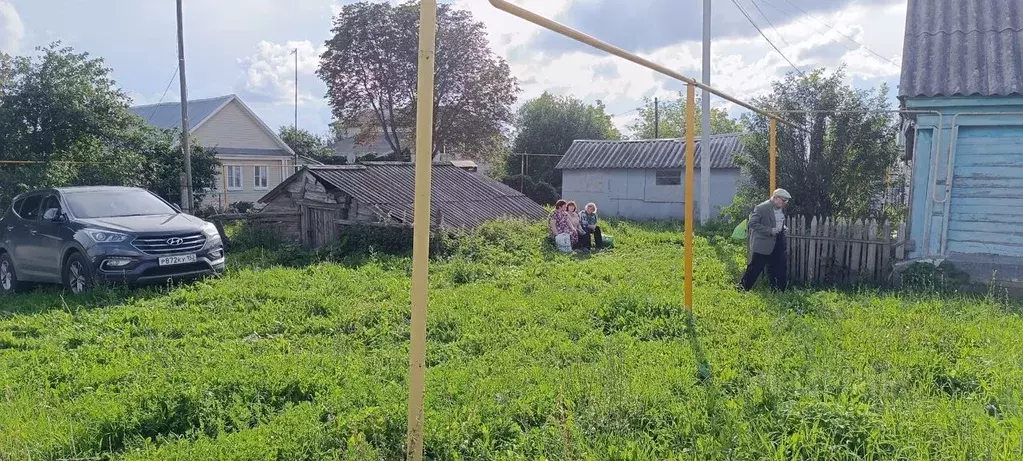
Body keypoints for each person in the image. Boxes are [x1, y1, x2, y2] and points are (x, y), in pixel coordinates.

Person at [740, 188, 791, 292]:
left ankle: (778, 291)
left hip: (779, 241)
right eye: (783, 200)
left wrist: (783, 228)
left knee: (779, 268)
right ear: (775, 198)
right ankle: (742, 288)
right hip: (763, 243)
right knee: (754, 268)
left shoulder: (781, 207)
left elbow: (778, 220)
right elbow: (752, 223)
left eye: (786, 200)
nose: (785, 203)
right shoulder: (761, 208)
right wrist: (769, 230)